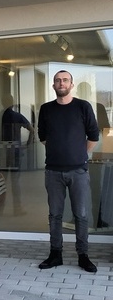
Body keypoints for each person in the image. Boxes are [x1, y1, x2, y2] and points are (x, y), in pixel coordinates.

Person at [37, 70, 99, 273]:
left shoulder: (83, 106)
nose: (61, 83)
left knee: (81, 214)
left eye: (65, 80)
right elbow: (43, 137)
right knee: (55, 215)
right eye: (57, 80)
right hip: (53, 171)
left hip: (78, 171)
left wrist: (79, 154)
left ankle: (83, 255)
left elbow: (93, 137)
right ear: (53, 85)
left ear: (71, 85)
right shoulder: (46, 109)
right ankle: (55, 254)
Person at [0, 94, 35, 216]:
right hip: (15, 150)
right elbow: (32, 130)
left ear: (2, 102)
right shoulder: (17, 116)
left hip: (3, 151)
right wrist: (27, 145)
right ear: (13, 102)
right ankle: (17, 209)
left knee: (2, 181)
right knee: (15, 181)